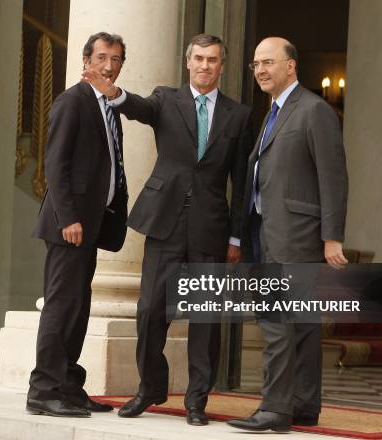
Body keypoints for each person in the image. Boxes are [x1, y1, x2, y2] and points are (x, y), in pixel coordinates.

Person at [83, 34, 252, 426]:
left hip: (212, 227)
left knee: (205, 321)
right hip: (165, 221)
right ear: (187, 63)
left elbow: (241, 184)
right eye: (198, 59)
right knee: (150, 310)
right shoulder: (166, 99)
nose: (205, 66)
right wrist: (115, 93)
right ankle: (150, 389)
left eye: (212, 60)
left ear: (221, 66)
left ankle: (197, 400)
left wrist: (236, 237)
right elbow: (138, 108)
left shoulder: (239, 116)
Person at [227, 37, 348, 432]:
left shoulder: (314, 110)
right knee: (303, 323)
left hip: (297, 235)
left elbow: (333, 177)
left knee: (279, 322)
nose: (260, 70)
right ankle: (303, 405)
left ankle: (275, 409)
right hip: (267, 230)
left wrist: (332, 236)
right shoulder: (274, 112)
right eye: (256, 64)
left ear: (291, 66)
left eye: (268, 62)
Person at [27, 32, 129, 418]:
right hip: (68, 226)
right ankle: (43, 390)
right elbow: (55, 163)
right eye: (101, 57)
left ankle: (68, 386)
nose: (108, 65)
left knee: (78, 307)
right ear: (86, 60)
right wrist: (68, 216)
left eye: (115, 59)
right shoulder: (73, 100)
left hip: (91, 226)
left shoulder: (108, 106)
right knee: (60, 307)